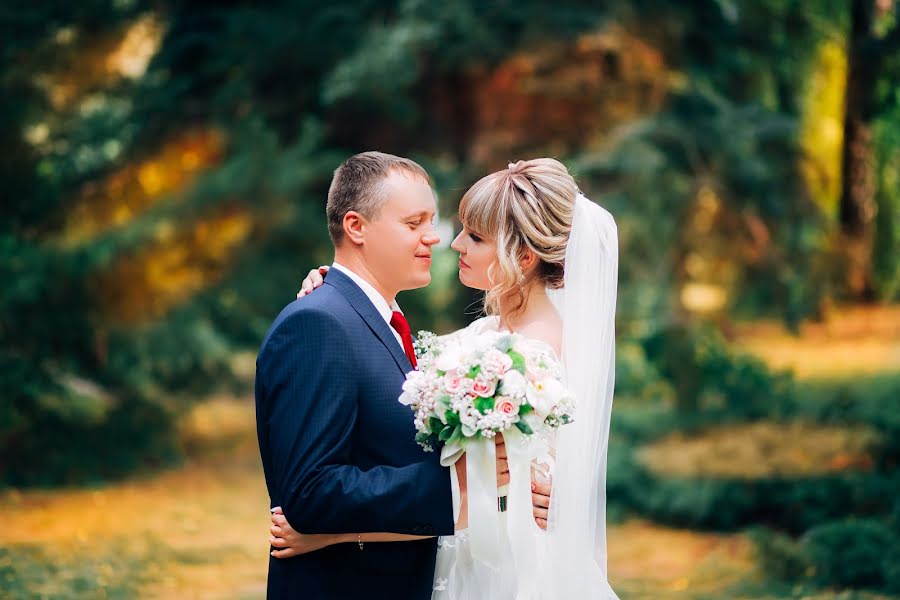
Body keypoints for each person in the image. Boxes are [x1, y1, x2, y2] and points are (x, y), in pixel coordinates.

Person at [272, 158, 619, 598]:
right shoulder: (486, 337)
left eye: (474, 236)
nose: (453, 243)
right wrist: (335, 290)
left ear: (524, 257)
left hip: (502, 574)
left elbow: (473, 501)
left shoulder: (526, 360)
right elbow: (381, 361)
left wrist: (327, 536)